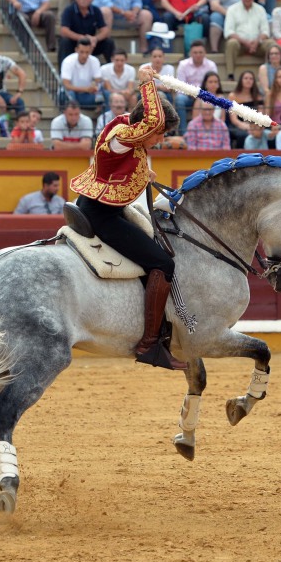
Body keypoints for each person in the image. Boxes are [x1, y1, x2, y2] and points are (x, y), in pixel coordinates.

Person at [70, 63, 187, 370]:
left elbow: (129, 154)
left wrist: (142, 172)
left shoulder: (124, 126)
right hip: (102, 214)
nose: (159, 141)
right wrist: (147, 84)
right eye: (160, 135)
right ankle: (149, 344)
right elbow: (151, 121)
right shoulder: (124, 135)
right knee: (163, 263)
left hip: (101, 205)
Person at [223, 0, 273, 81]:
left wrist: (256, 42)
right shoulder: (232, 9)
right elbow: (229, 32)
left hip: (258, 45)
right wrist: (245, 42)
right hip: (240, 45)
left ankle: (272, 73)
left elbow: (265, 31)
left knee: (271, 44)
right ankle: (230, 75)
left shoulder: (260, 9)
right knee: (231, 43)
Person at [174, 39, 217, 134]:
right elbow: (180, 88)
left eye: (200, 52)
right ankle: (184, 133)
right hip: (188, 97)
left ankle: (211, 132)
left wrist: (200, 96)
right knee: (179, 99)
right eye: (195, 52)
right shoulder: (183, 65)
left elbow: (214, 85)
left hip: (205, 97)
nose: (198, 55)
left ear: (205, 53)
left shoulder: (211, 65)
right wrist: (193, 94)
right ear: (190, 53)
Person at [59, 0, 115, 65]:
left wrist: (95, 38)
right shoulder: (69, 10)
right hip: (74, 43)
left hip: (91, 43)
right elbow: (64, 30)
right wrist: (81, 38)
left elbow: (105, 30)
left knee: (108, 42)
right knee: (65, 42)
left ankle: (114, 66)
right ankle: (62, 69)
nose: (84, 0)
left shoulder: (96, 10)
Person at [61, 37, 103, 109]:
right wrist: (86, 89)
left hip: (87, 94)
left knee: (104, 93)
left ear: (91, 50)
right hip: (72, 93)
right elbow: (67, 85)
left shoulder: (95, 61)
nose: (84, 55)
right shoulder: (68, 61)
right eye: (82, 52)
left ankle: (103, 114)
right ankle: (73, 112)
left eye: (87, 52)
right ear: (76, 50)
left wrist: (93, 87)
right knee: (69, 94)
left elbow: (98, 81)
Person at [228, 69, 262, 147]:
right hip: (238, 125)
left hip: (255, 125)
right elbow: (234, 119)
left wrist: (254, 127)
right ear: (241, 80)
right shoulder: (233, 96)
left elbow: (260, 116)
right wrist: (246, 127)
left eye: (251, 79)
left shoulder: (258, 96)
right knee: (242, 135)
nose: (248, 80)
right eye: (246, 78)